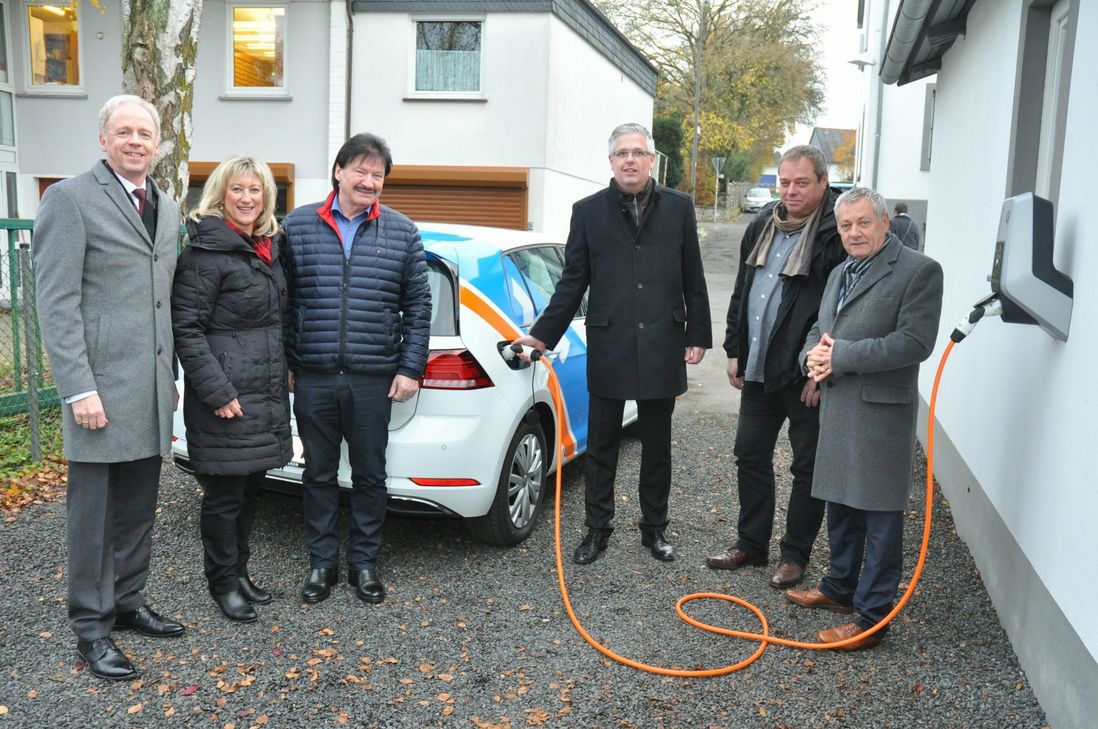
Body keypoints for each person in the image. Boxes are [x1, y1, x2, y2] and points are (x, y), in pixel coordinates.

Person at [33, 94, 184, 681]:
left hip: (148, 391)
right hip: (95, 393)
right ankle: (91, 629)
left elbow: (161, 299)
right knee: (93, 517)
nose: (136, 141)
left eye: (145, 133)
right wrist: (77, 388)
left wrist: (168, 380)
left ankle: (127, 601)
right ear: (103, 140)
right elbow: (57, 303)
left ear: (157, 144)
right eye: (124, 132)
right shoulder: (68, 200)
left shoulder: (166, 207)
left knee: (139, 508)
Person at [512, 122, 711, 565]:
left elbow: (692, 276)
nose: (630, 160)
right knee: (602, 447)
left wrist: (697, 333)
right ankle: (597, 530)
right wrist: (542, 335)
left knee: (656, 446)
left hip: (662, 341)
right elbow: (571, 283)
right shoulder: (588, 212)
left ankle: (654, 530)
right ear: (610, 161)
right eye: (622, 153)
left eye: (638, 152)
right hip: (609, 343)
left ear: (651, 160)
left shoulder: (679, 209)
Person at [784, 186, 943, 651]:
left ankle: (872, 619)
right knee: (841, 507)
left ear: (883, 223)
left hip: (880, 414)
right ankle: (838, 589)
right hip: (839, 406)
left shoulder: (919, 270)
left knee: (879, 519)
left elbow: (915, 342)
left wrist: (841, 356)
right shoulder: (840, 271)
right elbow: (822, 326)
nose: (854, 232)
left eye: (863, 223)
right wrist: (811, 356)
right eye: (847, 225)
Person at [282, 133, 431, 605]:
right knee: (318, 474)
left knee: (370, 475)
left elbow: (419, 304)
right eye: (361, 171)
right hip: (313, 374)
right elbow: (281, 300)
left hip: (373, 377)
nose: (369, 181)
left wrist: (411, 367)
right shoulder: (297, 226)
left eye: (378, 175)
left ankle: (364, 564)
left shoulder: (403, 232)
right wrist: (287, 361)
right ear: (338, 172)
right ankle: (321, 565)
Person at [706, 145, 847, 589]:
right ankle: (751, 544)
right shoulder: (764, 222)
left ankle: (794, 555)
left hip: (805, 377)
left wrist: (821, 373)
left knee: (807, 468)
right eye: (784, 182)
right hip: (759, 367)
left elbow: (842, 311)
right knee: (749, 454)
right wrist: (734, 350)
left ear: (823, 182)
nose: (790, 191)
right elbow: (743, 291)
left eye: (801, 183)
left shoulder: (834, 233)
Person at [171, 155, 292, 623]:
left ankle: (240, 574)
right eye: (237, 189)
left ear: (266, 198)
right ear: (221, 195)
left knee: (250, 491)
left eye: (255, 190)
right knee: (223, 498)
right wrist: (217, 391)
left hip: (263, 395)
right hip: (226, 398)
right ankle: (222, 583)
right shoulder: (205, 254)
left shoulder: (265, 248)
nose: (246, 198)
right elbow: (188, 328)